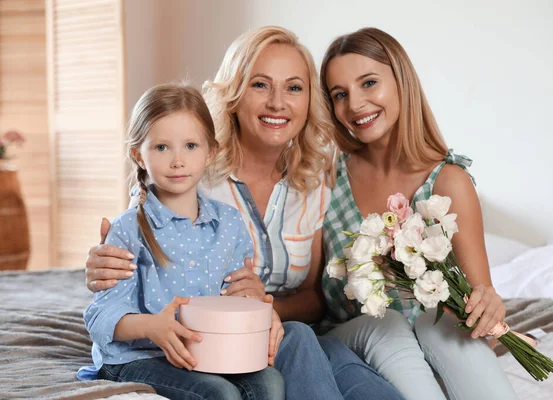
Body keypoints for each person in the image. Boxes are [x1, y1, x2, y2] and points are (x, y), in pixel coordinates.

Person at [82, 27, 404, 400]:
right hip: (214, 340)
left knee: (338, 364)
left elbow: (314, 296)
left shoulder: (314, 178)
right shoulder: (190, 175)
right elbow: (129, 252)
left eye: (294, 87)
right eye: (260, 85)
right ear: (235, 93)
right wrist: (99, 266)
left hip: (272, 332)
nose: (278, 103)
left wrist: (259, 306)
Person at [317, 27, 518, 400]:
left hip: (424, 340)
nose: (356, 104)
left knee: (436, 324)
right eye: (340, 95)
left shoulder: (449, 182)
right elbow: (312, 293)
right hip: (351, 338)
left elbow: (479, 307)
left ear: (401, 82)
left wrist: (488, 310)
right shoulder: (326, 178)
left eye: (369, 83)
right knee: (392, 324)